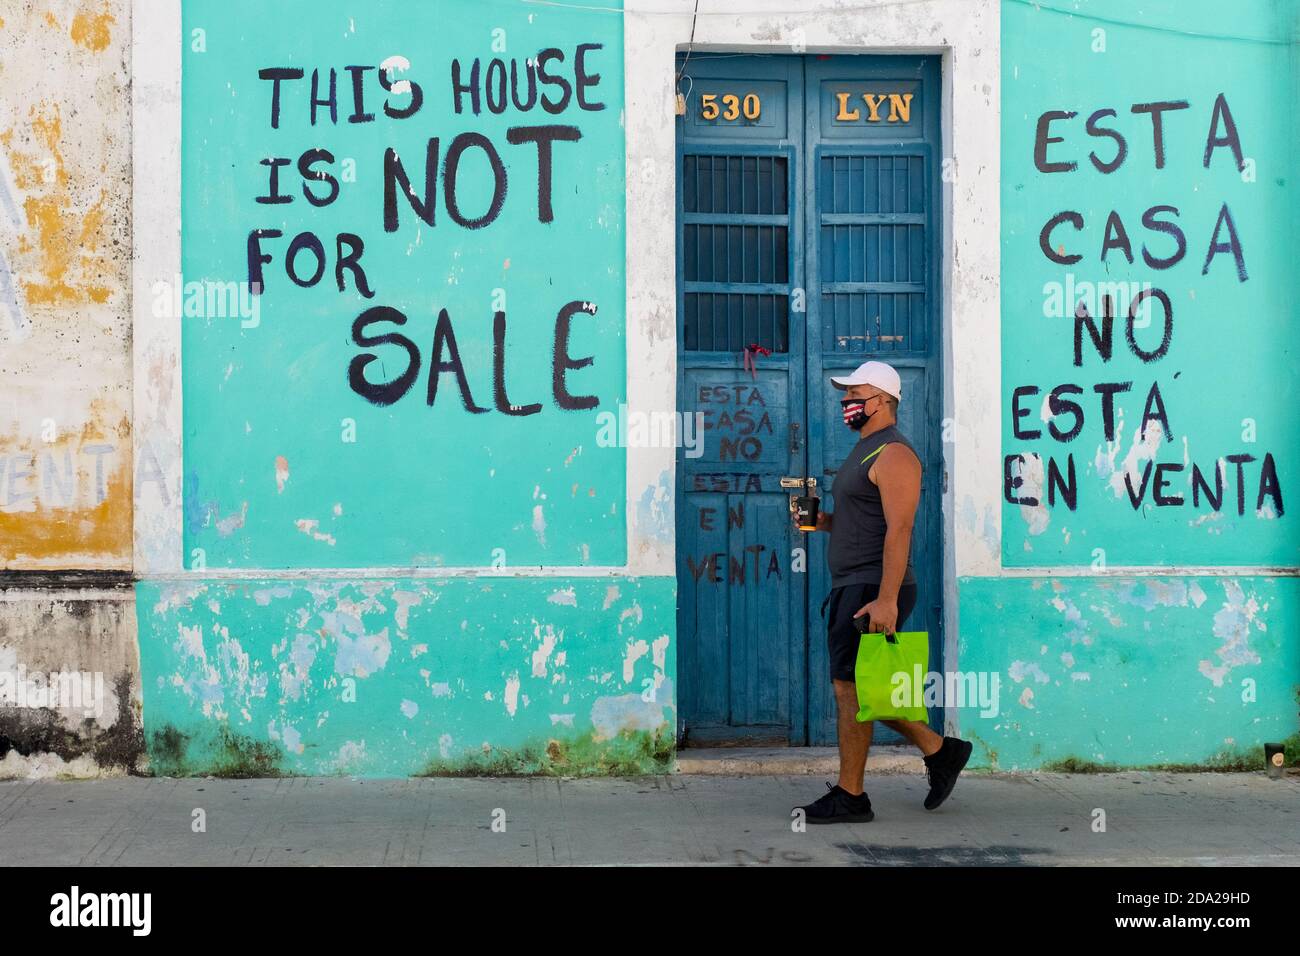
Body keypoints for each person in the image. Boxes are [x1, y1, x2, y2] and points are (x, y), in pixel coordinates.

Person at [794, 360, 972, 824]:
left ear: (884, 401)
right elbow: (862, 521)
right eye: (846, 394)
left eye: (857, 393)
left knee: (850, 690)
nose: (847, 401)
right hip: (853, 584)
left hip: (873, 587)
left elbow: (900, 529)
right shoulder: (863, 450)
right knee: (862, 689)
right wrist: (822, 522)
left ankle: (852, 795)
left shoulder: (894, 454)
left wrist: (888, 599)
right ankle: (940, 751)